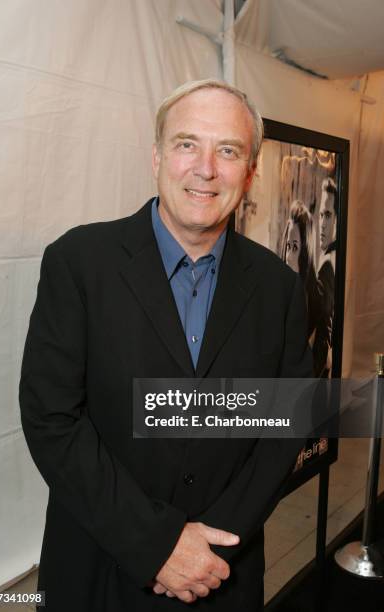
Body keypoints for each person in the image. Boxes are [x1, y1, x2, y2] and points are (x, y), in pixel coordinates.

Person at [19, 79, 312, 611]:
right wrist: (158, 543)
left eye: (228, 150)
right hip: (99, 569)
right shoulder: (79, 263)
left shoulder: (280, 288)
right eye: (186, 144)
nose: (205, 168)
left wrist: (210, 543)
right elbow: (51, 419)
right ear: (157, 156)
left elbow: (284, 426)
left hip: (223, 571)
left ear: (250, 172)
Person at [280, 200, 319, 342]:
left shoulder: (315, 302)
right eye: (288, 246)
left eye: (295, 248)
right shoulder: (278, 291)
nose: (288, 257)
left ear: (305, 253)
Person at [313, 177, 337, 377]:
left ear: (338, 218)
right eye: (321, 215)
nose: (322, 223)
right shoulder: (330, 258)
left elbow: (324, 334)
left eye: (328, 215)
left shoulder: (328, 264)